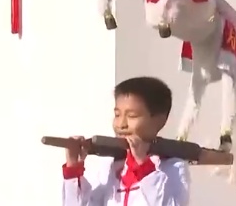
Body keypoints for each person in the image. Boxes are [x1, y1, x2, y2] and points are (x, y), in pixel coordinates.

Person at [62, 76, 190, 206]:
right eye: (117, 115)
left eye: (131, 116)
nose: (121, 124)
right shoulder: (111, 166)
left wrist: (143, 166)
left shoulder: (173, 166)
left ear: (159, 121)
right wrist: (73, 170)